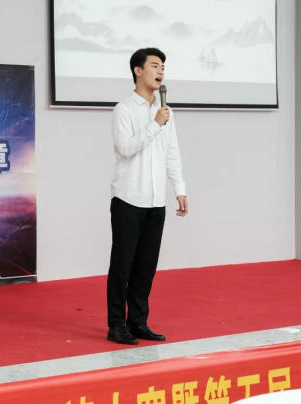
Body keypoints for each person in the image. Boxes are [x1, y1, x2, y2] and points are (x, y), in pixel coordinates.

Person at [107, 48, 188, 345]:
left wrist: (179, 189)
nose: (160, 71)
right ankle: (116, 325)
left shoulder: (166, 112)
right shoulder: (124, 109)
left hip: (156, 202)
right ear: (138, 71)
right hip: (128, 199)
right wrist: (155, 124)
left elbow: (172, 153)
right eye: (154, 65)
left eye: (163, 66)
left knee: (146, 267)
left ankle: (138, 322)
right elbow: (126, 147)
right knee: (122, 266)